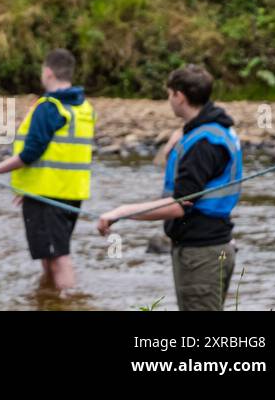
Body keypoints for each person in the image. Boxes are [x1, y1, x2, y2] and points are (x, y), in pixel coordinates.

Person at [98, 65, 243, 312]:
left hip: (201, 253)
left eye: (169, 94)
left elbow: (180, 206)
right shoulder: (217, 128)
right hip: (214, 245)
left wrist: (121, 212)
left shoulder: (202, 143)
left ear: (180, 96)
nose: (169, 100)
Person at [0, 49, 93, 290]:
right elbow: (60, 153)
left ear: (48, 72)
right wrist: (28, 187)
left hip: (48, 195)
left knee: (59, 257)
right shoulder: (83, 107)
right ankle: (50, 300)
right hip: (70, 193)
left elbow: (31, 153)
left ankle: (68, 302)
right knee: (50, 255)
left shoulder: (49, 107)